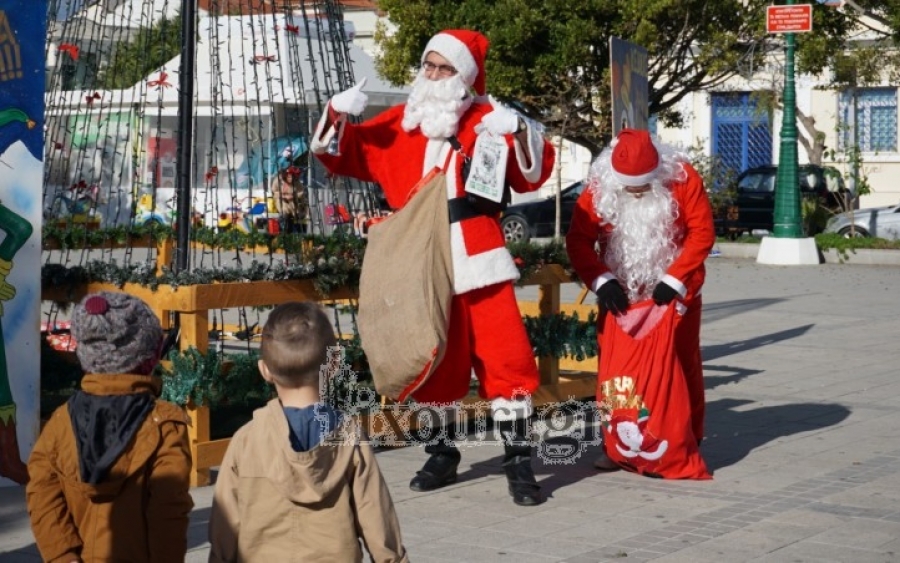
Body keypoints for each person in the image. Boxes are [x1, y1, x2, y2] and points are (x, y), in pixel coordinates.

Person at [311, 29, 556, 506]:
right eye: (430, 66)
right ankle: (443, 452)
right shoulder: (403, 122)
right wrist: (337, 113)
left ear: (465, 77)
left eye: (446, 68)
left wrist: (520, 129)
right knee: (432, 355)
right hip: (418, 260)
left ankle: (518, 461)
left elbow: (534, 173)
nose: (435, 76)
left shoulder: (487, 120)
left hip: (478, 257)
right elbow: (340, 154)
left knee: (505, 357)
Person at [208, 301, 408, 562]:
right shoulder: (349, 437)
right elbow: (376, 517)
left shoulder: (246, 439)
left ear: (265, 370)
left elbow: (225, 522)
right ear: (334, 365)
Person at [565, 128, 715, 470]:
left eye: (643, 188)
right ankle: (617, 444)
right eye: (628, 188)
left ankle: (686, 439)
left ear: (658, 174)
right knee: (616, 371)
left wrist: (675, 278)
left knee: (682, 362)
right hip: (620, 293)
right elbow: (578, 239)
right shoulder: (599, 186)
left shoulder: (682, 177)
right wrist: (601, 281)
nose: (635, 193)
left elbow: (702, 232)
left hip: (675, 291)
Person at [26, 291, 193, 562]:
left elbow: (41, 493)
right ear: (150, 360)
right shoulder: (164, 424)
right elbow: (168, 510)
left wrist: (63, 556)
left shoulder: (60, 420)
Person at [270, 165, 308, 233]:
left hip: (292, 202)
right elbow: (274, 191)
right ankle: (282, 227)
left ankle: (289, 228)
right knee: (284, 208)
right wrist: (283, 195)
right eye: (290, 177)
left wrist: (293, 196)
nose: (291, 179)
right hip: (280, 200)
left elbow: (301, 193)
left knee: (294, 213)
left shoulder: (297, 183)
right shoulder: (279, 180)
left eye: (293, 177)